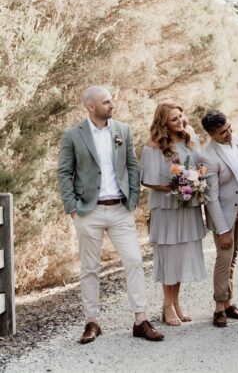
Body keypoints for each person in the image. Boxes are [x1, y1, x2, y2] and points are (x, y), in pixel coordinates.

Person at [57, 86, 163, 343]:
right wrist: (72, 208)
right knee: (89, 268)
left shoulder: (122, 130)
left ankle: (141, 320)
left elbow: (131, 164)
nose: (111, 105)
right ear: (90, 106)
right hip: (87, 211)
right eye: (106, 102)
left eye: (111, 101)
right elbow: (64, 173)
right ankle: (91, 321)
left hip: (119, 209)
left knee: (134, 260)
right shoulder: (73, 135)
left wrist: (133, 199)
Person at [140, 101, 207, 326]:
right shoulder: (153, 144)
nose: (180, 121)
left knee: (181, 254)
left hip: (187, 205)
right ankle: (167, 305)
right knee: (169, 254)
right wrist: (177, 185)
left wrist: (195, 179)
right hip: (167, 206)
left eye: (180, 116)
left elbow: (199, 166)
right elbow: (148, 179)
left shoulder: (190, 137)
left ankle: (176, 302)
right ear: (163, 122)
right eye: (173, 119)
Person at [200, 109, 238, 327]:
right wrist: (222, 230)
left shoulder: (237, 140)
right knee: (224, 258)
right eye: (222, 133)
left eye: (229, 128)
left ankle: (229, 303)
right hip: (224, 214)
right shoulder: (208, 156)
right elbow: (211, 198)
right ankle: (219, 307)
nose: (228, 134)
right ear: (211, 134)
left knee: (233, 256)